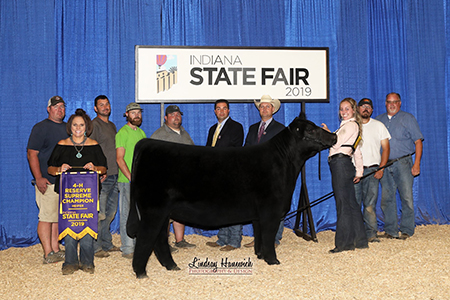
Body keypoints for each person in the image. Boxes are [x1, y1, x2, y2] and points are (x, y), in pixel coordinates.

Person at [48, 108, 107, 275]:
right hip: (68, 196)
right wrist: (59, 168)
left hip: (89, 196)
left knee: (88, 225)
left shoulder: (94, 145)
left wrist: (95, 168)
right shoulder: (61, 145)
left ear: (86, 126)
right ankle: (70, 262)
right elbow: (50, 169)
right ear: (70, 127)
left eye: (81, 125)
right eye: (75, 125)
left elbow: (104, 168)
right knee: (70, 225)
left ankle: (88, 262)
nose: (78, 128)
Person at [322, 98, 368, 253]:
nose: (343, 112)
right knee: (351, 203)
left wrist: (327, 135)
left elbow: (336, 143)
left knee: (343, 204)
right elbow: (357, 152)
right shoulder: (351, 126)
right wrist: (359, 172)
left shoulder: (349, 126)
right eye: (341, 109)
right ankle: (360, 240)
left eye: (347, 109)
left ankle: (344, 243)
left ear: (353, 110)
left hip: (340, 165)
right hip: (345, 165)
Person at [376, 92, 424, 240]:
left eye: (395, 101)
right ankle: (390, 230)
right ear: (385, 103)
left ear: (400, 103)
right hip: (385, 164)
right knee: (387, 198)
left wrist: (416, 163)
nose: (392, 104)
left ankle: (407, 230)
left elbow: (418, 141)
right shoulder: (379, 120)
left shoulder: (408, 118)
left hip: (403, 163)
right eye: (389, 101)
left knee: (406, 197)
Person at [27, 95, 67, 264]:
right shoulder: (40, 128)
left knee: (56, 217)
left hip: (63, 181)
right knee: (45, 217)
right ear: (48, 109)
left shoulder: (67, 128)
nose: (60, 109)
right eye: (56, 106)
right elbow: (32, 153)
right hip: (47, 181)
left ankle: (55, 249)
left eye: (63, 107)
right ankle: (48, 252)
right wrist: (39, 178)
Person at [150, 105, 196, 251]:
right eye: (172, 115)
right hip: (166, 181)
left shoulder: (185, 134)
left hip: (184, 180)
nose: (176, 117)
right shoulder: (158, 135)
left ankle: (180, 240)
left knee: (180, 210)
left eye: (178, 114)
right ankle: (162, 243)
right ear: (166, 118)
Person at [243, 95, 285, 249]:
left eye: (268, 106)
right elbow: (246, 148)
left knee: (274, 205)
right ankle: (258, 237)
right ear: (259, 110)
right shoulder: (253, 128)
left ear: (273, 109)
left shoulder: (280, 129)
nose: (264, 109)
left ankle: (274, 238)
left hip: (272, 173)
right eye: (262, 106)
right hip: (254, 174)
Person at [205, 99, 244, 251]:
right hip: (216, 174)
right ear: (215, 111)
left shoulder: (236, 127)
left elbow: (235, 150)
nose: (221, 111)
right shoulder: (212, 129)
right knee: (220, 207)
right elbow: (208, 151)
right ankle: (222, 239)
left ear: (229, 111)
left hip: (230, 172)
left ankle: (234, 241)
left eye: (224, 108)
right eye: (218, 109)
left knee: (233, 207)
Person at [354, 98, 391, 243]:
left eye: (368, 107)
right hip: (356, 171)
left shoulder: (379, 126)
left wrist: (381, 168)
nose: (365, 109)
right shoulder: (352, 125)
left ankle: (371, 233)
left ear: (372, 110)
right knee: (355, 203)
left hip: (372, 170)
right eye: (363, 106)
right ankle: (356, 234)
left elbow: (386, 148)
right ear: (357, 109)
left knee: (370, 205)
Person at [91, 95, 120, 258]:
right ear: (95, 108)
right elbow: (91, 149)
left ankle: (107, 243)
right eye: (101, 105)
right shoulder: (94, 125)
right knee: (100, 213)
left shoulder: (112, 125)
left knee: (110, 213)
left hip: (115, 173)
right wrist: (97, 171)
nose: (105, 107)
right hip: (103, 176)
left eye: (107, 104)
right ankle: (96, 247)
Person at [116, 103, 147, 258]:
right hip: (127, 181)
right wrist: (131, 178)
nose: (137, 115)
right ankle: (127, 248)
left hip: (140, 182)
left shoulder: (141, 133)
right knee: (127, 214)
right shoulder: (122, 133)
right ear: (126, 115)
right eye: (133, 113)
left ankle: (136, 245)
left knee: (139, 214)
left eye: (138, 113)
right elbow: (119, 159)